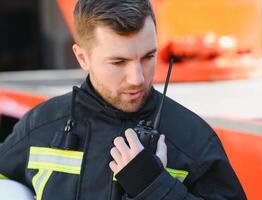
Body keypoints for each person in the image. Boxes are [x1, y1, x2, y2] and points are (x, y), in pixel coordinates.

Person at [0, 0, 246, 199]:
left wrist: (156, 188)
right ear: (82, 57)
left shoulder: (193, 140)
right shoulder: (40, 126)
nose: (137, 78)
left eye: (148, 56)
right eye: (119, 62)